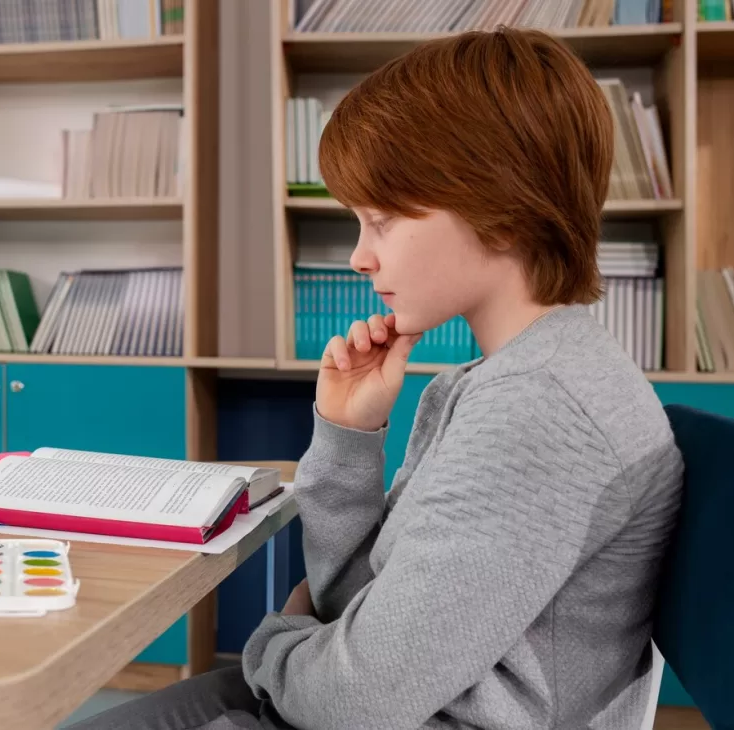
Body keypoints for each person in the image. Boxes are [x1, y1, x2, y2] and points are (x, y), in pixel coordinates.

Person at [69, 25, 683, 730]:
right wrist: (347, 437)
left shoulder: (539, 410)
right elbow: (353, 606)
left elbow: (358, 699)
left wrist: (270, 641)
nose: (359, 256)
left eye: (381, 220)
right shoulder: (492, 380)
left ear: (504, 212)